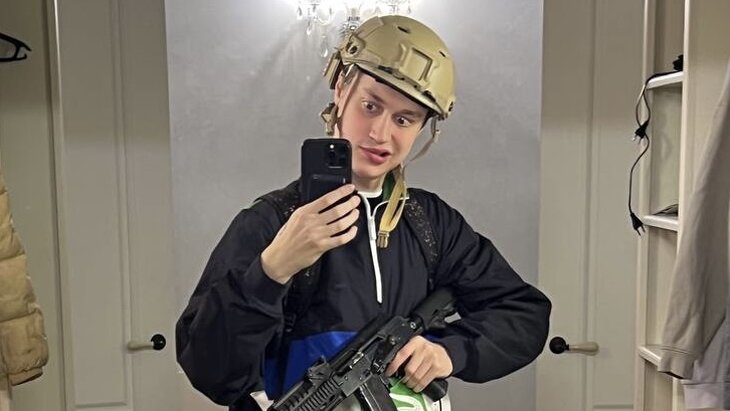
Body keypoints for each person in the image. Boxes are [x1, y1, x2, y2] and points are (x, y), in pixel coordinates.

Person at [176, 15, 551, 411]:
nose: (380, 133)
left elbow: (524, 315)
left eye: (404, 119)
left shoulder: (431, 224)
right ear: (341, 90)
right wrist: (271, 271)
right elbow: (210, 371)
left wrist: (448, 352)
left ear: (423, 128)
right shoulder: (270, 221)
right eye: (370, 106)